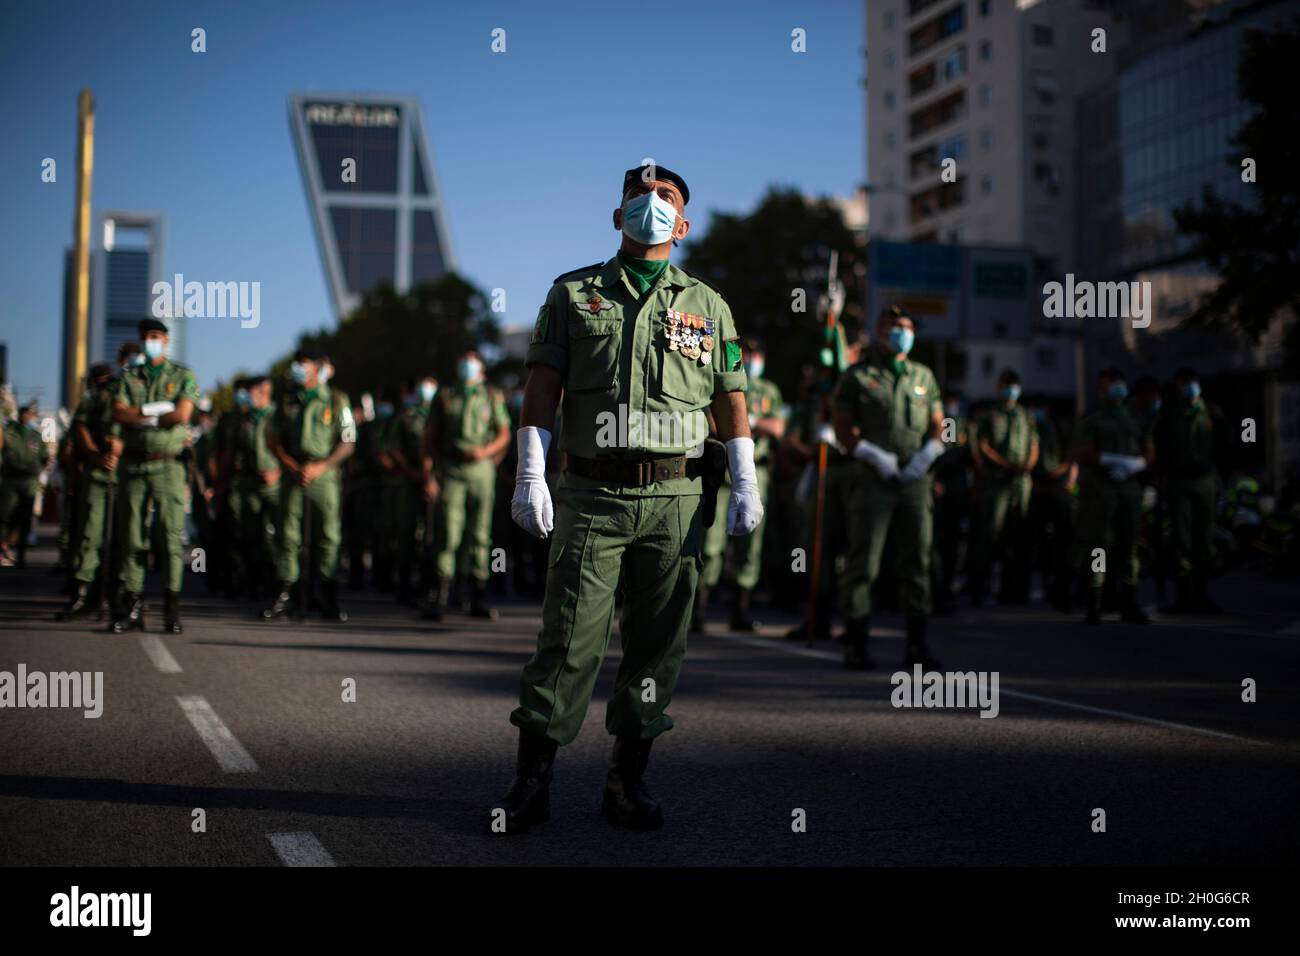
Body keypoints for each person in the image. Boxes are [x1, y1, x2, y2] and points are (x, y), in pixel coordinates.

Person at [494, 162, 761, 833]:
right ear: (618, 217)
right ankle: (532, 782)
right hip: (592, 492)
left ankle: (626, 780)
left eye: (665, 196)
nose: (651, 203)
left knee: (658, 644)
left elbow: (730, 399)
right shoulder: (572, 293)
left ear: (684, 222)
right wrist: (530, 471)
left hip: (676, 497)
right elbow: (541, 388)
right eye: (638, 196)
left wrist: (745, 479)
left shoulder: (708, 304)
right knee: (568, 640)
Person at [832, 306, 945, 670]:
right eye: (894, 326)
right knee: (865, 560)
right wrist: (871, 453)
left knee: (917, 559)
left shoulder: (924, 377)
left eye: (907, 327)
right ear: (879, 331)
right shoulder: (858, 376)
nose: (901, 333)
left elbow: (939, 424)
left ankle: (917, 645)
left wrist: (927, 455)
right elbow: (842, 428)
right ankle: (857, 643)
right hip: (873, 479)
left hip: (914, 480)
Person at [110, 318, 200, 633]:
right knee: (132, 536)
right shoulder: (128, 376)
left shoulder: (182, 375)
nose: (151, 341)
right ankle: (132, 606)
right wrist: (155, 413)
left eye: (156, 336)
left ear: (165, 339)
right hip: (134, 465)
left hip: (169, 465)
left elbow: (182, 414)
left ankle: (171, 609)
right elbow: (119, 412)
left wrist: (140, 415)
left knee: (169, 537)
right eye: (146, 336)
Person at [263, 347, 356, 622]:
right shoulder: (288, 400)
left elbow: (348, 441)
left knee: (328, 536)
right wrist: (290, 464)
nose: (297, 369)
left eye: (303, 364)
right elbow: (272, 438)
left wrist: (322, 466)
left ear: (317, 367)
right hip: (294, 472)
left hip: (324, 473)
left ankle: (327, 595)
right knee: (288, 535)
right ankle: (286, 593)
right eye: (296, 364)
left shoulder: (337, 400)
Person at [698, 339, 784, 631]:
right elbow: (712, 422)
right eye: (747, 353)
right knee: (711, 544)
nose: (752, 358)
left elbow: (778, 428)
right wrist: (747, 422)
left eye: (757, 353)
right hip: (721, 474)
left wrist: (745, 420)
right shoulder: (719, 382)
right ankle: (699, 609)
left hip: (757, 473)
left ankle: (741, 609)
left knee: (751, 544)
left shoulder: (768, 391)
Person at [421, 351, 510, 620]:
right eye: (464, 361)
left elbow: (504, 433)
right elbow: (429, 437)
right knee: (448, 531)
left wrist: (486, 453)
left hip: (481, 469)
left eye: (472, 361)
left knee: (481, 534)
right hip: (451, 467)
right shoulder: (445, 395)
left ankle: (478, 594)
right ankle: (441, 594)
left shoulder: (492, 396)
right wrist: (428, 475)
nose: (467, 366)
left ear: (481, 367)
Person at [1070, 368, 1153, 625]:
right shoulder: (1093, 419)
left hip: (1129, 490)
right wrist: (1110, 460)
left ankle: (1128, 600)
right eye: (1109, 385)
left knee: (1129, 546)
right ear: (1101, 390)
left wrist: (1135, 464)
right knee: (1099, 547)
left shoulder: (1136, 418)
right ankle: (1095, 601)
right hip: (1100, 491)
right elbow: (1083, 452)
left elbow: (1150, 450)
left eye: (1118, 383)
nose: (1115, 389)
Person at [969, 369, 1038, 606]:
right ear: (998, 388)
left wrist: (1026, 466)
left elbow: (1033, 444)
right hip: (996, 483)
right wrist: (1007, 465)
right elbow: (983, 447)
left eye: (1014, 386)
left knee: (1018, 539)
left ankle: (1014, 591)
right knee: (990, 537)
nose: (1011, 391)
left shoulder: (1025, 415)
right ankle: (980, 590)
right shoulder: (990, 415)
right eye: (1006, 386)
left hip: (1021, 485)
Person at [1155, 368, 1222, 613]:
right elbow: (1160, 445)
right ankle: (1183, 596)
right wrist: (1161, 476)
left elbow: (1226, 443)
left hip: (1205, 481)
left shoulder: (1212, 412)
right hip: (1178, 482)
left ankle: (1201, 594)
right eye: (1182, 384)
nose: (1187, 388)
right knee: (1181, 540)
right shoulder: (1170, 414)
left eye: (1189, 383)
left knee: (1204, 540)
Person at [60, 362, 122, 616]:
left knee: (123, 539)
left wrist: (120, 451)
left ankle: (120, 595)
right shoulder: (94, 397)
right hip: (97, 473)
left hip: (126, 474)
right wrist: (96, 457)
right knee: (91, 535)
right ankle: (84, 593)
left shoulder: (130, 393)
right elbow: (81, 429)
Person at [224, 375, 280, 598]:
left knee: (279, 536)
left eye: (254, 391)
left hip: (276, 485)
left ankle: (282, 584)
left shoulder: (278, 416)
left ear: (266, 391)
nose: (249, 396)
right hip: (249, 483)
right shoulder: (245, 419)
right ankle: (256, 582)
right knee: (251, 534)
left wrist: (278, 471)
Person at [1025, 396, 1078, 612]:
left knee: (1065, 541)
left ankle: (1067, 588)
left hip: (1057, 487)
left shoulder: (1060, 427)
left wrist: (1069, 480)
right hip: (1036, 487)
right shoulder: (1030, 427)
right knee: (1040, 541)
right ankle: (1049, 585)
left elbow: (1071, 456)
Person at [931, 389, 972, 614]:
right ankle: (940, 591)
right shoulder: (950, 421)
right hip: (945, 492)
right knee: (941, 544)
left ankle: (944, 589)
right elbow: (949, 455)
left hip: (954, 491)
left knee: (950, 544)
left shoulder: (955, 421)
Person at [0, 400, 50, 569]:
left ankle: (21, 554)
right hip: (10, 480)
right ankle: (4, 548)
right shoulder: (9, 432)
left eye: (29, 414)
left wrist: (37, 474)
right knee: (5, 515)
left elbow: (44, 457)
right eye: (24, 414)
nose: (26, 417)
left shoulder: (36, 435)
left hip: (29, 481)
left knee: (25, 518)